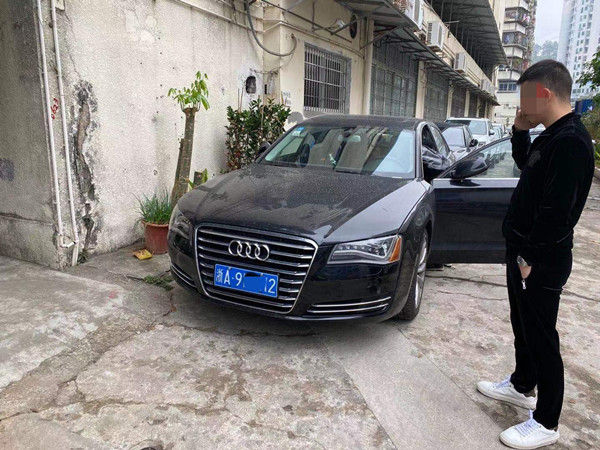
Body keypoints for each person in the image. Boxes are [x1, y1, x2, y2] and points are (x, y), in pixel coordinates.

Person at [476, 60, 594, 449]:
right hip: (524, 252)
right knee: (523, 325)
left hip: (541, 258)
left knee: (543, 336)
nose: (521, 106)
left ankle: (546, 421)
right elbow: (529, 169)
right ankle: (522, 385)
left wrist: (529, 258)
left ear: (543, 94)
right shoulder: (551, 135)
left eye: (525, 98)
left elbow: (557, 215)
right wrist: (519, 131)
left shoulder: (571, 142)